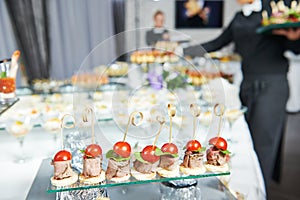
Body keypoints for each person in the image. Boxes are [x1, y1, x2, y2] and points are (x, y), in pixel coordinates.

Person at [184, 0, 300, 197]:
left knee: (263, 146)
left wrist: (295, 38)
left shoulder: (273, 11)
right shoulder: (239, 18)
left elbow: (294, 49)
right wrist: (185, 50)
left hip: (272, 87)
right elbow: (219, 42)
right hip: (247, 85)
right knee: (248, 143)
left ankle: (258, 194)